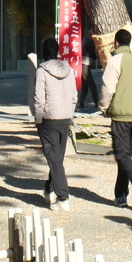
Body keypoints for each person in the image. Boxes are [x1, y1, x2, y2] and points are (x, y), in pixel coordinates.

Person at [98, 29, 132, 211]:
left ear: (115, 44)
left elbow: (107, 87)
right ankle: (120, 195)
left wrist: (103, 106)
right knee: (125, 156)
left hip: (121, 113)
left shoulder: (115, 60)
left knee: (121, 155)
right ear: (129, 43)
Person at [33, 36, 77, 211]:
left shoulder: (42, 71)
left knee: (54, 158)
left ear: (44, 53)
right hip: (65, 118)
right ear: (58, 51)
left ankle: (63, 197)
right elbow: (74, 95)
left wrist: (38, 118)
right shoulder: (68, 69)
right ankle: (49, 188)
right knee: (57, 158)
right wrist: (70, 113)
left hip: (49, 119)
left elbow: (39, 99)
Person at [77, 34, 98, 111]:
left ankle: (81, 103)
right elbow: (92, 53)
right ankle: (97, 102)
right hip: (85, 65)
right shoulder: (88, 42)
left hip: (83, 64)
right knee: (92, 86)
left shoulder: (84, 41)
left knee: (85, 87)